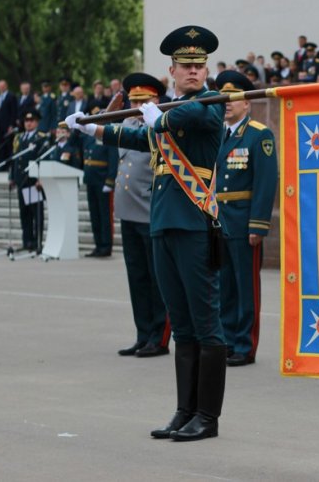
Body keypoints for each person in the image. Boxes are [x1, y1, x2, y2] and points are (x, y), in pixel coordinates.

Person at [66, 24, 227, 442]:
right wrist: (93, 128)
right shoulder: (166, 113)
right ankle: (183, 411)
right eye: (185, 66)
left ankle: (207, 417)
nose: (193, 71)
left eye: (199, 64)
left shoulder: (210, 104)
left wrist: (159, 113)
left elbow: (180, 117)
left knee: (207, 325)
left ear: (205, 69)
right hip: (163, 227)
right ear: (171, 70)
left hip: (194, 227)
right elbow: (139, 136)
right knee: (183, 325)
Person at [213, 70, 278, 367]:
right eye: (223, 97)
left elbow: (265, 183)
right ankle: (227, 339)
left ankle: (245, 344)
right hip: (221, 220)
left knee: (245, 285)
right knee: (224, 285)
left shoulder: (258, 134)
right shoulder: (219, 134)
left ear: (247, 103)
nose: (227, 103)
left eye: (233, 98)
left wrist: (258, 224)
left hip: (244, 221)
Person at [113, 73, 171, 358]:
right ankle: (142, 333)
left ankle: (158, 337)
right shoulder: (127, 123)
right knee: (136, 277)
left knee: (156, 278)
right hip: (128, 213)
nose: (136, 106)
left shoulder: (160, 126)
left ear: (155, 101)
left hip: (150, 212)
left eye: (143, 101)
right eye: (133, 101)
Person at [9, 110, 50, 252]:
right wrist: (11, 177)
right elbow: (15, 158)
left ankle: (37, 242)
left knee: (35, 213)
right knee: (24, 213)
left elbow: (43, 159)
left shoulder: (41, 138)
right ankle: (27, 241)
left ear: (37, 122)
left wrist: (41, 178)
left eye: (31, 121)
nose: (28, 123)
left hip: (33, 181)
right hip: (21, 180)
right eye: (26, 121)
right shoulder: (19, 138)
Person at [81, 105, 118, 257]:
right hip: (91, 179)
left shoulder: (108, 134)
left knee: (104, 216)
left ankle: (106, 246)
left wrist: (110, 181)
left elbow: (113, 159)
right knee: (94, 215)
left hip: (103, 180)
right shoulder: (90, 136)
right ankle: (98, 245)